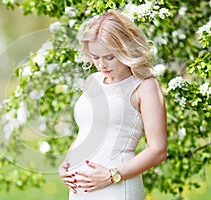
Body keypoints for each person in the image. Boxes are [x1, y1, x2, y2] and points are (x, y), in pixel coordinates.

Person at [59, 11, 167, 200]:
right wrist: (67, 163)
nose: (101, 65)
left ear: (126, 50)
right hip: (80, 190)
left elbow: (158, 150)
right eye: (95, 57)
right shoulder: (93, 80)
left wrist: (111, 176)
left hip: (116, 187)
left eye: (109, 57)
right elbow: (87, 131)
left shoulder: (145, 86)